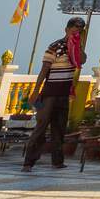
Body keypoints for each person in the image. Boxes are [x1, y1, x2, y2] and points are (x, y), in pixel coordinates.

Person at [22, 17, 87, 170]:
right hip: (50, 93)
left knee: (59, 129)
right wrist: (36, 91)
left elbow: (82, 60)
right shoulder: (55, 46)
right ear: (67, 29)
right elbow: (44, 70)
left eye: (79, 31)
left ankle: (57, 161)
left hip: (64, 94)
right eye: (74, 30)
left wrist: (78, 45)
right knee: (41, 127)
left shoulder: (76, 50)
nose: (76, 32)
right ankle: (28, 162)